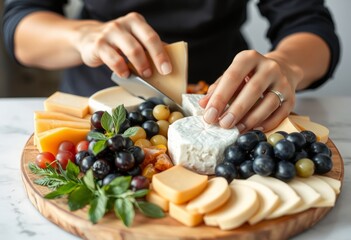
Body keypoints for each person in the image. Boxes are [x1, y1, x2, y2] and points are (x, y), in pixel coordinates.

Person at [2, 0, 340, 132]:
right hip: (93, 109)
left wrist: (286, 67)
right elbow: (20, 26)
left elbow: (309, 24)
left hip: (231, 104)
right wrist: (82, 36)